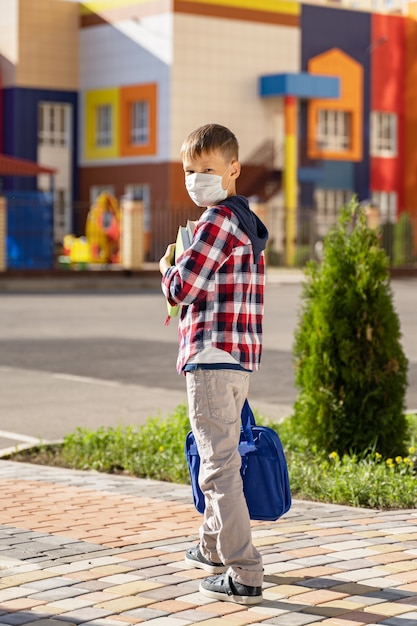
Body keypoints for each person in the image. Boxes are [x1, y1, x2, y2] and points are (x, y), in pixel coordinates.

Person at [159, 123, 268, 605]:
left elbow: (184, 289)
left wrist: (166, 271)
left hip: (210, 357)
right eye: (190, 170)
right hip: (239, 360)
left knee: (218, 467)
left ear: (233, 169)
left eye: (208, 169)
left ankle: (244, 571)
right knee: (221, 457)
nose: (197, 178)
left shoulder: (215, 222)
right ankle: (210, 547)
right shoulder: (246, 222)